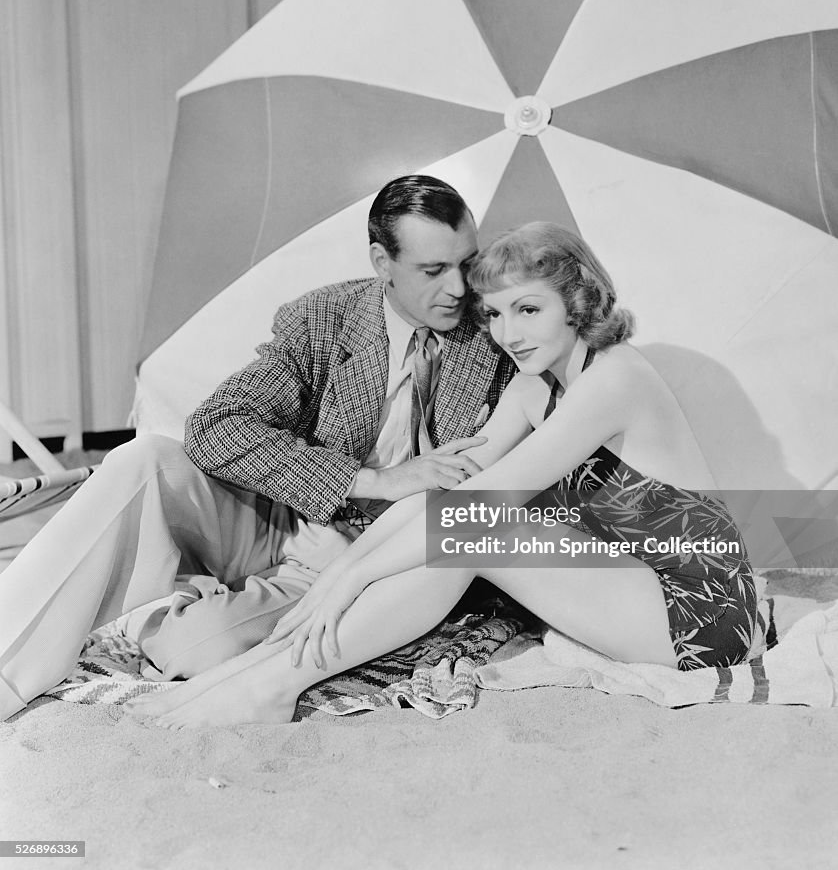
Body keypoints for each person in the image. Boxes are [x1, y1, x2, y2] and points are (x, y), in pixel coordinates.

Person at [127, 222, 758, 728]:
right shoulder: (535, 387)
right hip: (629, 587)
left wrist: (351, 575)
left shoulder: (616, 376)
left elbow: (482, 504)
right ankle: (253, 673)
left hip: (701, 611)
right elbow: (444, 490)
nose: (509, 333)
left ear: (579, 301)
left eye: (529, 310)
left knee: (474, 532)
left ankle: (274, 683)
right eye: (496, 315)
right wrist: (340, 576)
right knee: (446, 520)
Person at [0, 175, 515, 721]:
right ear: (381, 262)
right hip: (277, 516)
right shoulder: (324, 318)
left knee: (194, 651)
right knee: (143, 457)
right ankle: (8, 669)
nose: (460, 287)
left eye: (467, 262)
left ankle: (161, 602)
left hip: (364, 560)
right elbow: (216, 427)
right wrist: (372, 481)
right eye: (433, 271)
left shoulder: (500, 331)